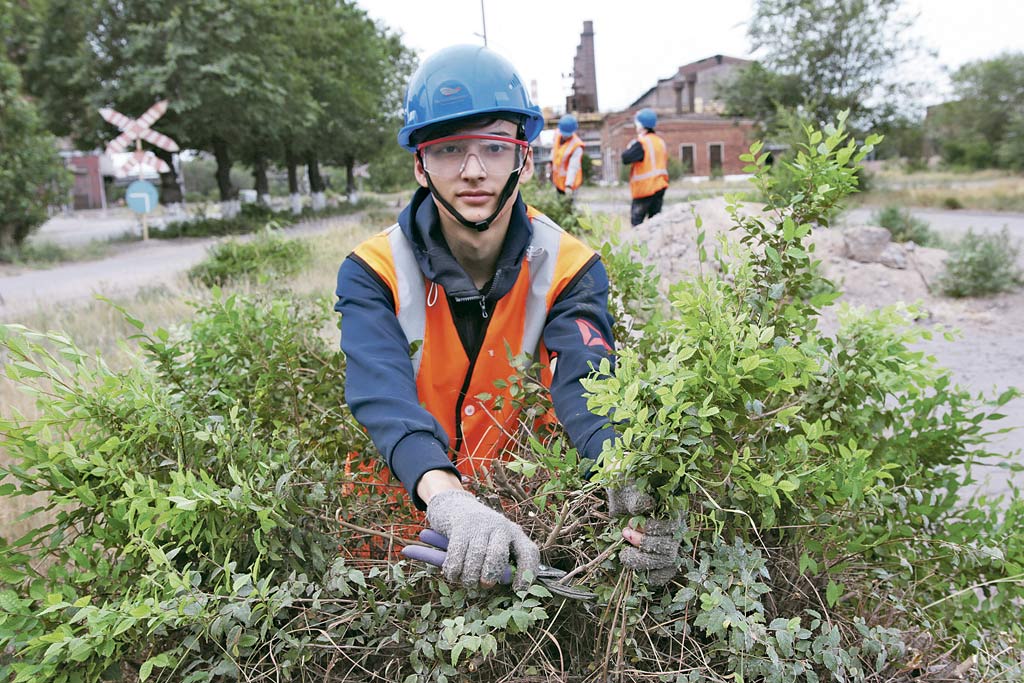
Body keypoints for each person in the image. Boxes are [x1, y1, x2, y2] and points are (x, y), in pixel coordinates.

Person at [335, 45, 680, 591]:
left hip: (529, 533)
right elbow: (383, 398)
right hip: (397, 533)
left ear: (522, 157)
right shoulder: (372, 270)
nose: (473, 171)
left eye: (494, 148)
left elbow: (588, 388)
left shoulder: (571, 267)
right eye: (450, 149)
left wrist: (629, 483)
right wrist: (449, 501)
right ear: (420, 165)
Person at [620, 108, 669, 226]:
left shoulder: (642, 143)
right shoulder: (659, 142)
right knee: (655, 223)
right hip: (660, 187)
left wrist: (631, 146)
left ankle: (639, 245)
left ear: (641, 125)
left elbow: (626, 158)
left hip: (645, 189)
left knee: (637, 225)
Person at [551, 114, 584, 197]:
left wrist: (568, 185)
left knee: (568, 207)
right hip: (558, 181)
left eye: (567, 134)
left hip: (570, 183)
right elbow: (554, 149)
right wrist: (550, 162)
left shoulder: (577, 146)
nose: (565, 136)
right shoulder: (557, 135)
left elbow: (573, 166)